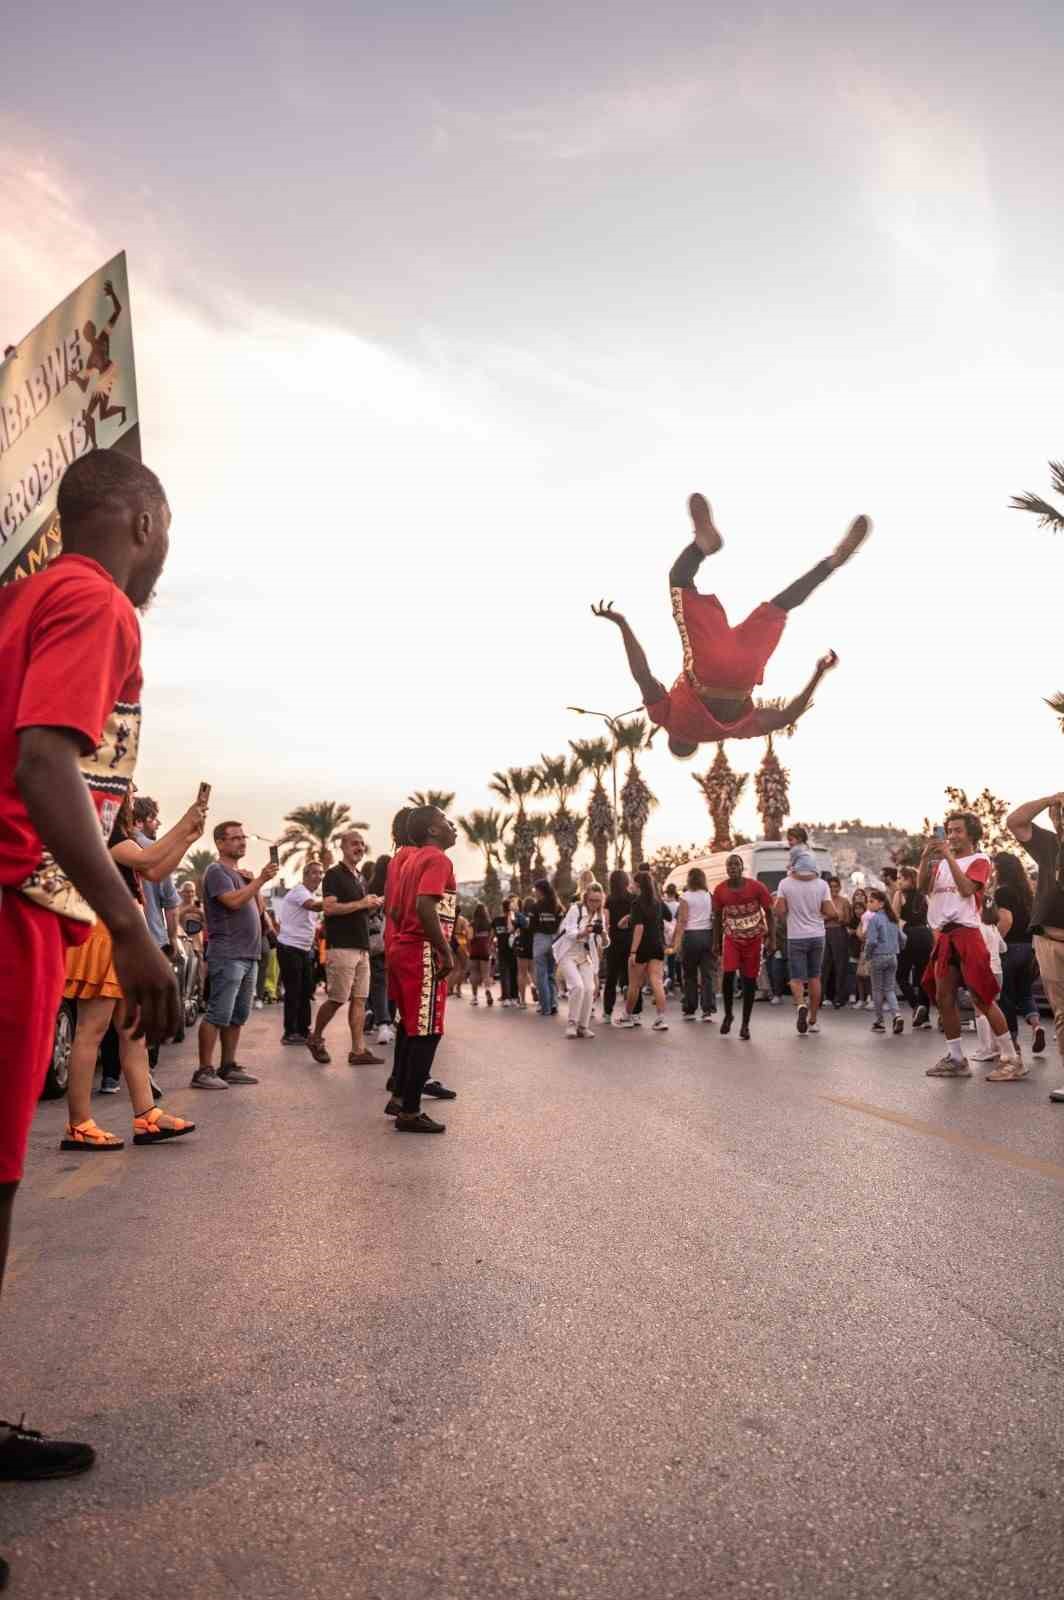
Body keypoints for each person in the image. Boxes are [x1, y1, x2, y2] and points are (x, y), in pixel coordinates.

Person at [0, 448, 179, 1580]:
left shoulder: (26, 595)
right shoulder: (93, 596)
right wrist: (128, 920)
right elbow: (42, 760)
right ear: (145, 519)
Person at [591, 492, 867, 757]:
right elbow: (642, 674)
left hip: (746, 672)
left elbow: (786, 717)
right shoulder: (667, 720)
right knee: (679, 581)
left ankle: (831, 564)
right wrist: (621, 624)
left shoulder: (730, 732)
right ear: (673, 737)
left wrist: (819, 673)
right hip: (707, 667)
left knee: (782, 605)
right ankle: (701, 546)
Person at [61, 786, 202, 1147]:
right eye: (130, 783)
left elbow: (154, 870)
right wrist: (184, 823)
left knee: (133, 1031)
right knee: (92, 1028)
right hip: (103, 930)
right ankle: (79, 1125)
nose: (135, 789)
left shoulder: (119, 831)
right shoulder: (102, 824)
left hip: (122, 933)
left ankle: (147, 1115)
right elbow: (147, 859)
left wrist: (188, 837)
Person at [919, 812, 1023, 1080]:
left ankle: (1011, 1058)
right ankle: (956, 1058)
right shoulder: (940, 864)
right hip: (946, 935)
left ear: (971, 835)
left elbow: (967, 889)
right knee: (944, 998)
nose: (951, 836)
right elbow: (922, 887)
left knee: (981, 997)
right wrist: (924, 859)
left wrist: (949, 857)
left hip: (967, 933)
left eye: (957, 831)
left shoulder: (980, 860)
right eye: (949, 831)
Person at [384, 805, 458, 1131]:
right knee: (428, 1030)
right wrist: (443, 950)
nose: (452, 826)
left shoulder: (408, 859)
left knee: (412, 1027)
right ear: (432, 830)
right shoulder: (437, 859)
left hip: (404, 946)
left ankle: (401, 1096)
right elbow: (424, 905)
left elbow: (396, 910)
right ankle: (410, 1112)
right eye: (446, 821)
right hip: (421, 949)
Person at [194, 821, 279, 1088]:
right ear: (220, 843)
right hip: (228, 953)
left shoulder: (240, 874)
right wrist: (261, 880)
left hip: (249, 954)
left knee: (238, 1015)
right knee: (218, 1013)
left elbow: (258, 905)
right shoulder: (216, 871)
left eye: (243, 837)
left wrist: (254, 882)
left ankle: (227, 1066)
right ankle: (203, 1070)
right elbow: (231, 902)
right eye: (234, 838)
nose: (241, 842)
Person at [1006, 791, 1064, 1100]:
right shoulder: (1049, 844)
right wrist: (1051, 800)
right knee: (1062, 1012)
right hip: (1050, 939)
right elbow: (1015, 821)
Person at [307, 829, 382, 1068]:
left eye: (361, 844)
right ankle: (315, 1037)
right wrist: (362, 903)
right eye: (354, 844)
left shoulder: (360, 877)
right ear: (343, 846)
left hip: (362, 947)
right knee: (338, 999)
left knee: (360, 999)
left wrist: (373, 904)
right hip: (342, 947)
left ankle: (358, 1051)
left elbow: (358, 909)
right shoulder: (333, 875)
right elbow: (329, 909)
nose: (359, 847)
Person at [991, 850, 1047, 1061]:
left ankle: (1012, 1042)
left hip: (1010, 948)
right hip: (1028, 948)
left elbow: (1006, 920)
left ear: (1001, 870)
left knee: (1006, 996)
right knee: (1025, 993)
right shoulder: (1027, 893)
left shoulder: (1002, 892)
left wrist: (996, 944)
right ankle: (1037, 1026)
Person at [712, 854, 774, 1039]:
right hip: (732, 938)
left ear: (741, 868)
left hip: (754, 940)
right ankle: (728, 1015)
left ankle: (745, 1024)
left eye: (735, 864)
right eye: (729, 865)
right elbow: (717, 917)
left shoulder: (756, 887)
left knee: (749, 981)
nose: (732, 868)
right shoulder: (720, 890)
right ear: (726, 869)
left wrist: (772, 938)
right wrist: (716, 942)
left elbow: (769, 912)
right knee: (728, 975)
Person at [775, 867, 836, 1035]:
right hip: (817, 935)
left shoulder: (785, 883)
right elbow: (832, 912)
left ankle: (801, 1004)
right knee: (815, 977)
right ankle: (813, 1020)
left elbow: (779, 910)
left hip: (796, 936)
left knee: (796, 979)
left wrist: (787, 914)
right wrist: (818, 917)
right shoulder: (822, 884)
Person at [617, 870, 672, 1030]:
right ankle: (661, 1018)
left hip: (641, 947)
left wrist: (633, 952)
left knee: (634, 984)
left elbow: (639, 928)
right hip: (657, 945)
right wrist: (632, 917)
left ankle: (627, 1016)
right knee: (657, 981)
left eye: (634, 883)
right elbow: (668, 917)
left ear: (639, 885)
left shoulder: (636, 903)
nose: (632, 886)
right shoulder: (658, 902)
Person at [276, 862, 324, 1043]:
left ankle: (303, 1031)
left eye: (321, 873)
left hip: (303, 950)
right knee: (294, 991)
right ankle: (289, 1033)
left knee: (305, 991)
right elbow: (312, 906)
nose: (318, 877)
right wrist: (335, 900)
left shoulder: (310, 893)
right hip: (289, 948)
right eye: (314, 873)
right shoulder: (300, 892)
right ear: (305, 874)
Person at [554, 881, 606, 1038]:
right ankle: (572, 1024)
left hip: (585, 955)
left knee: (589, 988)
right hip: (568, 952)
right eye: (592, 900)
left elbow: (605, 943)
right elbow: (570, 933)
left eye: (598, 900)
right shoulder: (575, 909)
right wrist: (585, 931)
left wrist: (603, 934)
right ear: (585, 898)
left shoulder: (600, 915)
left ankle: (583, 1027)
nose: (594, 904)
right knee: (577, 986)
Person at [674, 867, 716, 1021]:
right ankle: (708, 1009)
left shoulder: (685, 896)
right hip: (707, 935)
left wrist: (677, 943)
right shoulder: (708, 896)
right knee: (707, 974)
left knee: (690, 974)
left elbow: (683, 920)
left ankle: (690, 1008)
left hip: (691, 936)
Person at [894, 866, 934, 1027]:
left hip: (909, 935)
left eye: (901, 878)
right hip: (925, 935)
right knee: (923, 976)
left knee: (901, 975)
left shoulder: (900, 895)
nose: (899, 881)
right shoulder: (925, 895)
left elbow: (895, 917)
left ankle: (916, 1005)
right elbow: (932, 915)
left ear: (910, 879)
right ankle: (925, 1018)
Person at [971, 899, 1009, 1065]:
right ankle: (997, 1047)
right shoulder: (994, 928)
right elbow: (1003, 948)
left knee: (980, 1009)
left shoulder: (979, 927)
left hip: (984, 971)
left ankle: (985, 1049)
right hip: (998, 971)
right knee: (993, 1008)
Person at [863, 888, 904, 1035]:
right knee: (889, 989)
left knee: (877, 990)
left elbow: (872, 941)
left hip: (878, 956)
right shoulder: (893, 918)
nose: (868, 904)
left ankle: (879, 1021)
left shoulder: (874, 919)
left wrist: (867, 956)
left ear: (880, 904)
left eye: (871, 901)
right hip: (893, 956)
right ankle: (897, 1015)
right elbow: (903, 938)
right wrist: (898, 948)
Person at [365, 855, 393, 1044]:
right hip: (393, 940)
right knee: (391, 983)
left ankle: (376, 1016)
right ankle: (386, 1021)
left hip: (374, 942)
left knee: (378, 982)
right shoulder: (393, 888)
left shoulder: (370, 889)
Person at [529, 880, 563, 1016]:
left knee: (541, 975)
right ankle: (554, 1003)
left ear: (540, 890)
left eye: (535, 890)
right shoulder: (558, 906)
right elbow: (562, 924)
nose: (534, 892)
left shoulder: (535, 907)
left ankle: (545, 1007)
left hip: (540, 939)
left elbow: (531, 926)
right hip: (555, 940)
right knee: (551, 974)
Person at [821, 875, 852, 1009]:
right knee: (823, 966)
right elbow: (820, 917)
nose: (833, 889)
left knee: (840, 966)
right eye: (831, 886)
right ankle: (820, 997)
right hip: (824, 932)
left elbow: (847, 919)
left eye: (836, 886)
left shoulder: (844, 901)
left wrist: (835, 917)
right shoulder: (823, 901)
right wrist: (833, 916)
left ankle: (840, 998)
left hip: (839, 932)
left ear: (839, 887)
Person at [848, 888, 872, 1009]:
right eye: (856, 908)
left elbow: (863, 935)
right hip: (855, 951)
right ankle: (860, 999)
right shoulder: (852, 920)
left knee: (867, 976)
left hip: (865, 950)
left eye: (860, 908)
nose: (858, 911)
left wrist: (856, 932)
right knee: (858, 976)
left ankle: (869, 998)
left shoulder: (869, 918)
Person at [468, 904, 495, 1007]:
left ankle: (475, 998)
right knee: (486, 973)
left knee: (474, 972)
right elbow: (491, 937)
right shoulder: (489, 924)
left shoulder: (472, 924)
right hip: (485, 950)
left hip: (475, 950)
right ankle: (487, 990)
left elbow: (470, 937)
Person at [492, 899, 518, 1006]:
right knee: (512, 973)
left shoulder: (497, 920)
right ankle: (513, 997)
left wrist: (492, 945)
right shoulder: (514, 919)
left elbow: (492, 935)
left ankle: (508, 997)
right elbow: (514, 931)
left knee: (506, 974)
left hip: (504, 949)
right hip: (512, 950)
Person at [513, 897, 535, 1009]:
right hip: (534, 945)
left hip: (522, 945)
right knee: (533, 972)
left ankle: (522, 1000)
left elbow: (512, 929)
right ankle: (534, 988)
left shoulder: (520, 916)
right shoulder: (536, 916)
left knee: (521, 973)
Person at [663, 882, 682, 990]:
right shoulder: (679, 905)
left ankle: (669, 979)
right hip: (675, 931)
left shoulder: (663, 904)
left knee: (666, 958)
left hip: (665, 932)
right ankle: (677, 979)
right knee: (675, 957)